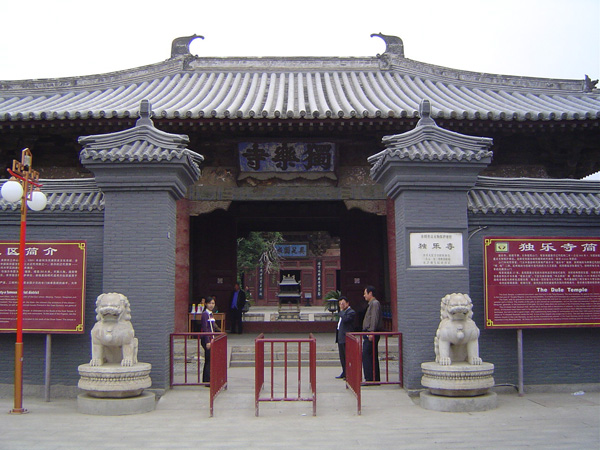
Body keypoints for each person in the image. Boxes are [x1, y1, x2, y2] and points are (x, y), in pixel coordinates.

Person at [362, 285, 383, 382]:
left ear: (370, 293)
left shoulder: (375, 303)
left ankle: (370, 378)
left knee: (367, 355)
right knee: (371, 356)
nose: (364, 295)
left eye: (365, 293)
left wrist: (371, 332)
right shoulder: (372, 304)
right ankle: (374, 378)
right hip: (369, 332)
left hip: (371, 333)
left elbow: (374, 318)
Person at [200, 296, 221, 383]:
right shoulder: (205, 314)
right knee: (208, 360)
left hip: (211, 338)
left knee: (210, 359)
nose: (211, 305)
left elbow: (214, 326)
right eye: (209, 303)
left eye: (213, 303)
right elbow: (205, 328)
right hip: (207, 339)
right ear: (206, 304)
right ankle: (207, 380)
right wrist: (207, 342)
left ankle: (207, 379)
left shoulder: (211, 314)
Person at [335, 296, 356, 379]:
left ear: (347, 303)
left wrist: (341, 311)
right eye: (340, 304)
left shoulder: (351, 312)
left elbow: (346, 319)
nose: (341, 305)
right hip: (340, 337)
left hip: (346, 338)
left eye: (343, 303)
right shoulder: (343, 313)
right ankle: (344, 372)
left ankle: (349, 373)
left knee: (347, 357)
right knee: (342, 357)